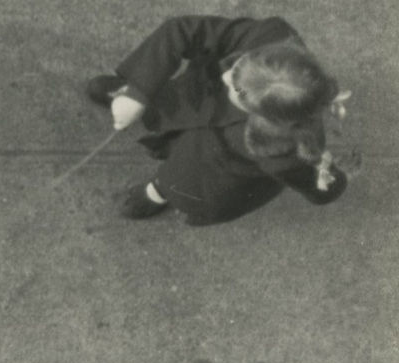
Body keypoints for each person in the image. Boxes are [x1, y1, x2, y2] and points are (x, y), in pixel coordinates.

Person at [87, 15, 348, 226]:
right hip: (193, 96)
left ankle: (156, 192)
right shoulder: (272, 33)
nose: (225, 77)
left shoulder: (289, 148)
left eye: (237, 89)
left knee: (181, 180)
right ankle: (132, 94)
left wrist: (327, 180)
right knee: (155, 99)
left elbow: (318, 184)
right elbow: (185, 30)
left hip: (212, 162)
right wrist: (139, 91)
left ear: (265, 117)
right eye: (238, 66)